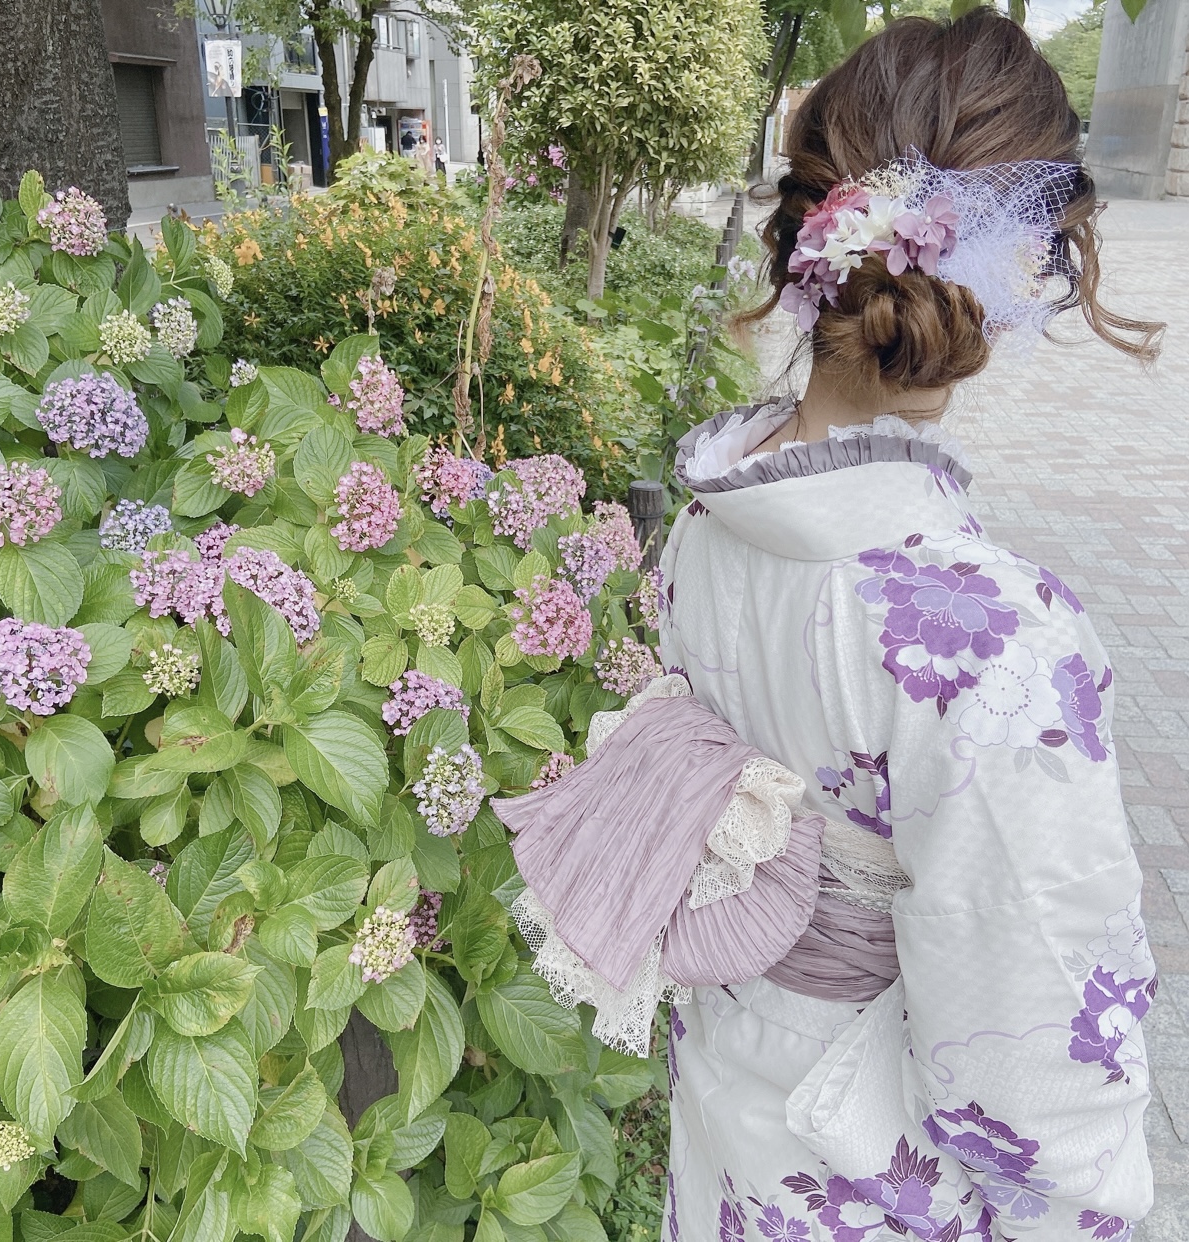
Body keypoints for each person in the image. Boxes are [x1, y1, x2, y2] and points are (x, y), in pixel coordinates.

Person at [494, 10, 1164, 1242]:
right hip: (881, 1166)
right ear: (1016, 264)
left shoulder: (710, 523)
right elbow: (1036, 1033)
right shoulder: (994, 643)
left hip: (739, 1107)